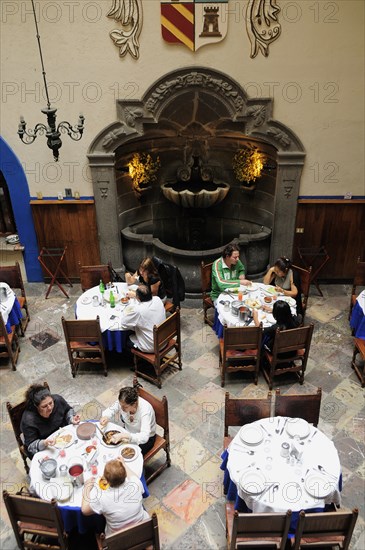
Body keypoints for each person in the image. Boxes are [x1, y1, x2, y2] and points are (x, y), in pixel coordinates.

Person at [81, 456, 149, 537]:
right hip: (143, 528)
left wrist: (87, 488)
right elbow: (134, 477)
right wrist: (124, 464)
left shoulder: (102, 498)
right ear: (125, 474)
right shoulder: (135, 484)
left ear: (106, 480)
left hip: (117, 537)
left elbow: (84, 510)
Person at [20, 384, 80, 458]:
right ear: (36, 406)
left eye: (51, 403)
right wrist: (44, 443)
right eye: (44, 406)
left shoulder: (57, 400)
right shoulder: (29, 420)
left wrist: (71, 418)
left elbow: (68, 410)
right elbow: (31, 446)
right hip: (47, 447)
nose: (49, 408)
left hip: (63, 438)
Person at [100, 385, 156, 454]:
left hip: (145, 440)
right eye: (121, 406)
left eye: (125, 407)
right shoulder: (123, 402)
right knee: (112, 449)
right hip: (127, 431)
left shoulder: (145, 411)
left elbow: (144, 437)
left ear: (134, 404)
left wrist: (124, 435)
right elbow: (111, 409)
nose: (122, 409)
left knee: (126, 456)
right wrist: (106, 416)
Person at [120, 284, 166, 353]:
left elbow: (124, 323)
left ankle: (137, 360)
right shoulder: (157, 299)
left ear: (138, 298)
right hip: (165, 339)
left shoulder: (138, 310)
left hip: (152, 346)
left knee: (125, 340)